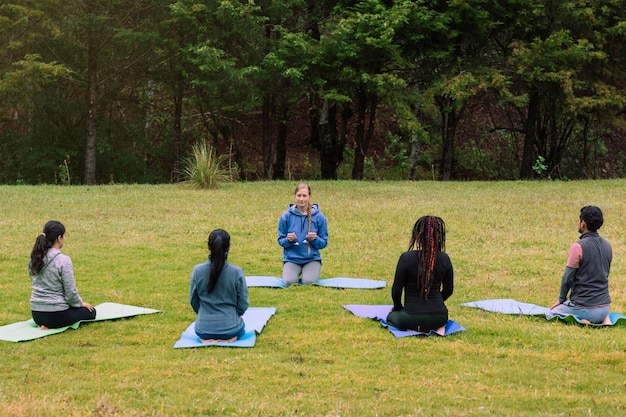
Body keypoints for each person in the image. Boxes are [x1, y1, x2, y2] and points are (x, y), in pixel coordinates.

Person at [386, 216, 453, 335]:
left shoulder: (406, 258)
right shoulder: (444, 259)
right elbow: (448, 290)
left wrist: (397, 308)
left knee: (391, 318)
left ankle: (415, 328)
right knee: (434, 321)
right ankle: (437, 328)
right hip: (440, 316)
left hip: (411, 317)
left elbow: (396, 291)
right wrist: (434, 303)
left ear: (417, 235)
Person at [547, 206, 612, 324]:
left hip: (584, 307)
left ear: (583, 223)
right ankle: (603, 319)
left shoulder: (578, 247)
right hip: (605, 308)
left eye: (579, 220)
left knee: (551, 313)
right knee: (595, 312)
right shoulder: (608, 246)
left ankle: (583, 320)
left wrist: (561, 300)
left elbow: (567, 278)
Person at [29, 221, 96, 330]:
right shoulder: (63, 260)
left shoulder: (35, 259)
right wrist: (80, 304)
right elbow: (70, 292)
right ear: (59, 238)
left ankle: (46, 324)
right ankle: (52, 323)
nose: (65, 239)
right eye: (64, 236)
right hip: (56, 314)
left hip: (37, 314)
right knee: (91, 312)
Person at [189, 229, 249, 343]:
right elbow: (243, 303)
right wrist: (235, 316)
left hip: (203, 329)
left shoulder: (197, 271)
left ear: (208, 246)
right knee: (241, 328)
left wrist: (204, 313)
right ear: (228, 248)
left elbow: (193, 300)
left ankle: (206, 340)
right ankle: (228, 339)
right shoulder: (236, 272)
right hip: (230, 328)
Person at [277, 183, 329, 286]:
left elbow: (323, 243)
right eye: (299, 195)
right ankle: (293, 271)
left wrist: (315, 239)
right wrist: (288, 240)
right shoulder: (286, 216)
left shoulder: (319, 217)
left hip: (312, 259)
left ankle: (309, 271)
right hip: (292, 259)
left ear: (309, 197)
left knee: (308, 282)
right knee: (289, 282)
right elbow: (280, 241)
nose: (301, 199)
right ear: (294, 196)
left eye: (304, 196)